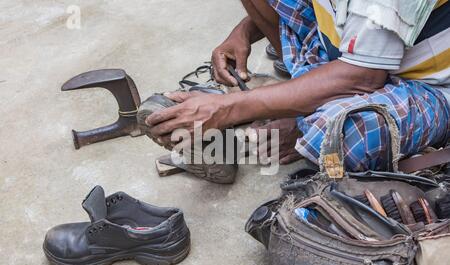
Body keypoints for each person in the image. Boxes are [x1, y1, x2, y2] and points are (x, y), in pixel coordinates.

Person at [144, 0, 450, 171]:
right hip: (357, 52)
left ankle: (303, 122)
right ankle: (302, 99)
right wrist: (245, 30)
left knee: (347, 133)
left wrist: (227, 109)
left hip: (425, 85)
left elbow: (363, 77)